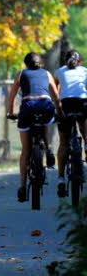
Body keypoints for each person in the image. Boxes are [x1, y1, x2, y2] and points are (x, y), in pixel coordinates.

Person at [7, 52, 60, 202]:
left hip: (28, 108)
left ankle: (23, 186)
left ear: (26, 64)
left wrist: (11, 112)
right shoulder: (47, 73)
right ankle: (48, 148)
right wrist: (60, 112)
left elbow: (12, 96)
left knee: (26, 150)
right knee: (47, 121)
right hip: (45, 106)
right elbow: (55, 96)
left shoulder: (21, 73)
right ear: (41, 63)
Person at [55, 49, 87, 197]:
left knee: (63, 142)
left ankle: (61, 179)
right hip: (82, 102)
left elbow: (54, 89)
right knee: (84, 128)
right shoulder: (85, 71)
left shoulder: (59, 71)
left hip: (66, 104)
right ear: (80, 61)